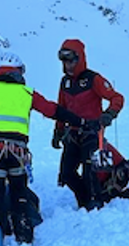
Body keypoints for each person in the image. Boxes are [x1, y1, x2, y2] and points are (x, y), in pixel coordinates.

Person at [0, 54, 79, 243]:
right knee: (19, 191)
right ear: (18, 71)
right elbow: (52, 110)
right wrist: (79, 121)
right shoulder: (27, 93)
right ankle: (23, 232)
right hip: (17, 152)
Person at [53, 38, 124, 210]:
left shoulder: (94, 79)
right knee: (66, 174)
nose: (67, 65)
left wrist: (109, 114)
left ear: (79, 58)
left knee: (90, 171)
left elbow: (117, 98)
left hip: (92, 133)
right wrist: (58, 131)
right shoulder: (65, 83)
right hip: (73, 133)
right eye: (64, 61)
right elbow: (61, 109)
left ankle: (95, 202)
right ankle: (84, 197)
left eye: (70, 60)